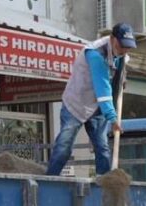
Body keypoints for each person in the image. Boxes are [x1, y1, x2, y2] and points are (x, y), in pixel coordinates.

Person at [46, 23, 138, 177]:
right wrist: (112, 118)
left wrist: (121, 79)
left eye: (128, 47)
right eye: (122, 46)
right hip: (76, 104)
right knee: (64, 147)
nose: (125, 50)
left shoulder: (121, 54)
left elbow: (116, 73)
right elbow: (103, 88)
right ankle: (48, 180)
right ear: (112, 39)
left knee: (102, 148)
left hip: (97, 108)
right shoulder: (95, 54)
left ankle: (104, 184)